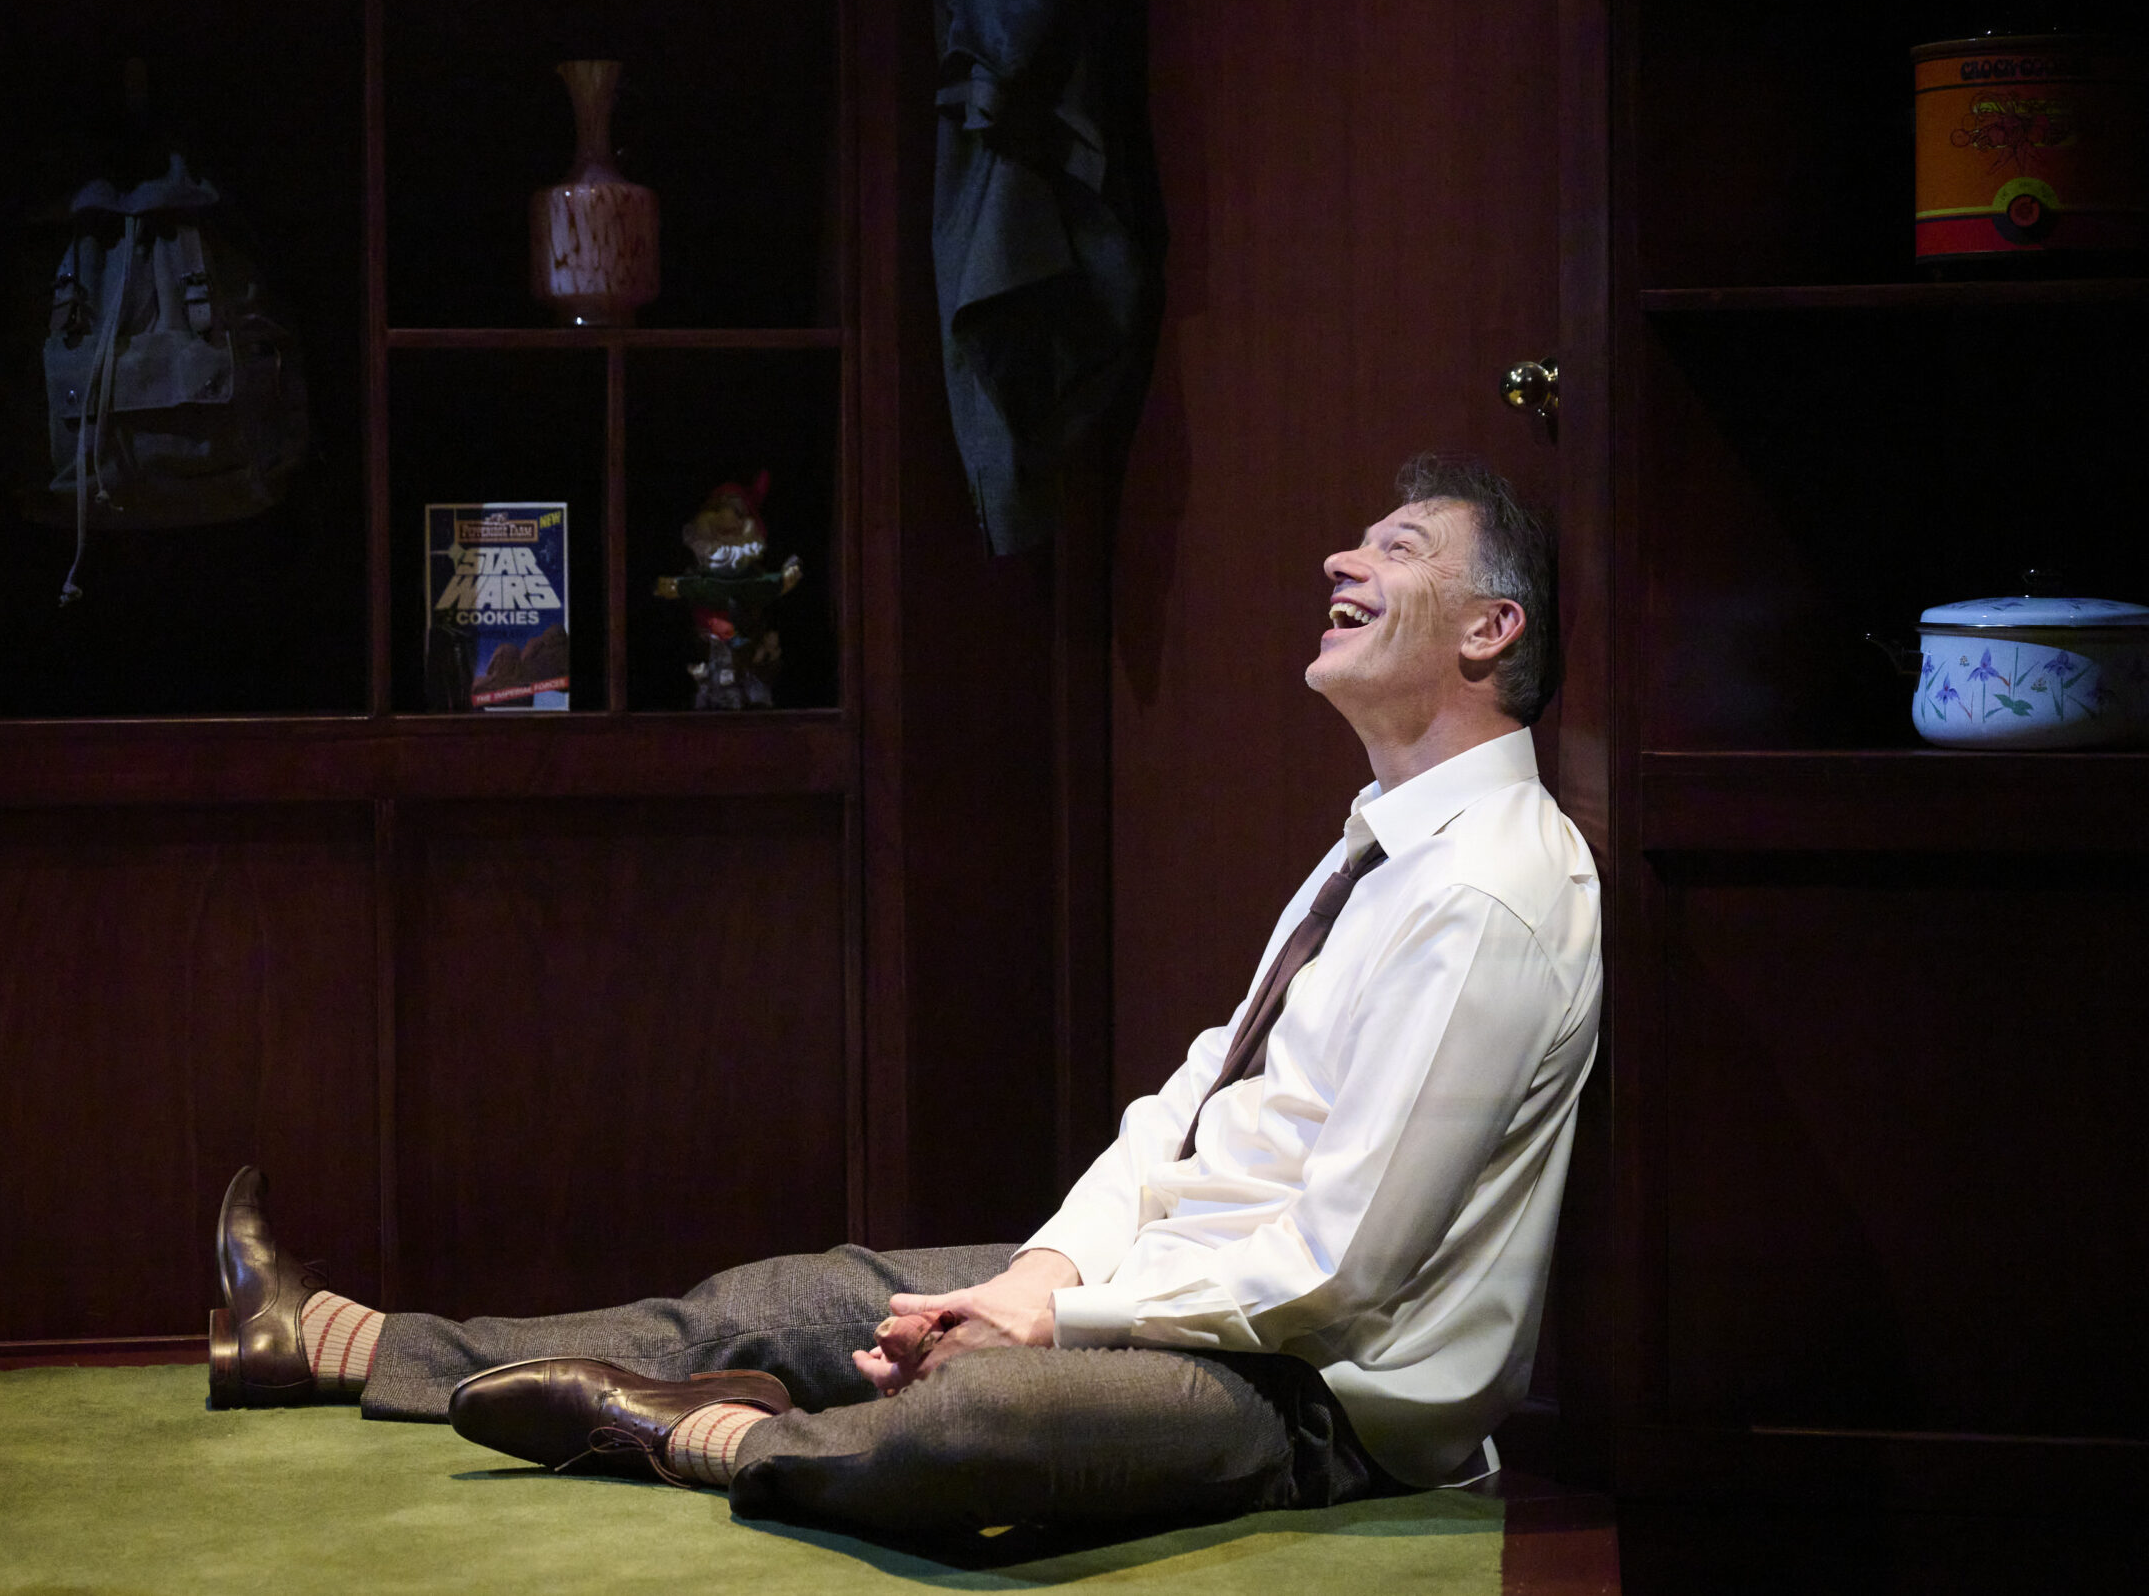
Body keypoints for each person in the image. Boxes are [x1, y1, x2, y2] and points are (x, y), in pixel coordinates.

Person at [209, 454, 1602, 1535]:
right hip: (1162, 1288)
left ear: (1490, 630)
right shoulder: (1379, 838)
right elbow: (1186, 1108)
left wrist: (1045, 1326)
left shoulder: (1487, 892)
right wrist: (1047, 1270)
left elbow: (1337, 1274)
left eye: (1398, 548)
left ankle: (692, 1434)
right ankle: (332, 1341)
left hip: (1313, 1398)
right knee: (798, 1296)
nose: (1341, 558)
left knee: (971, 1421)